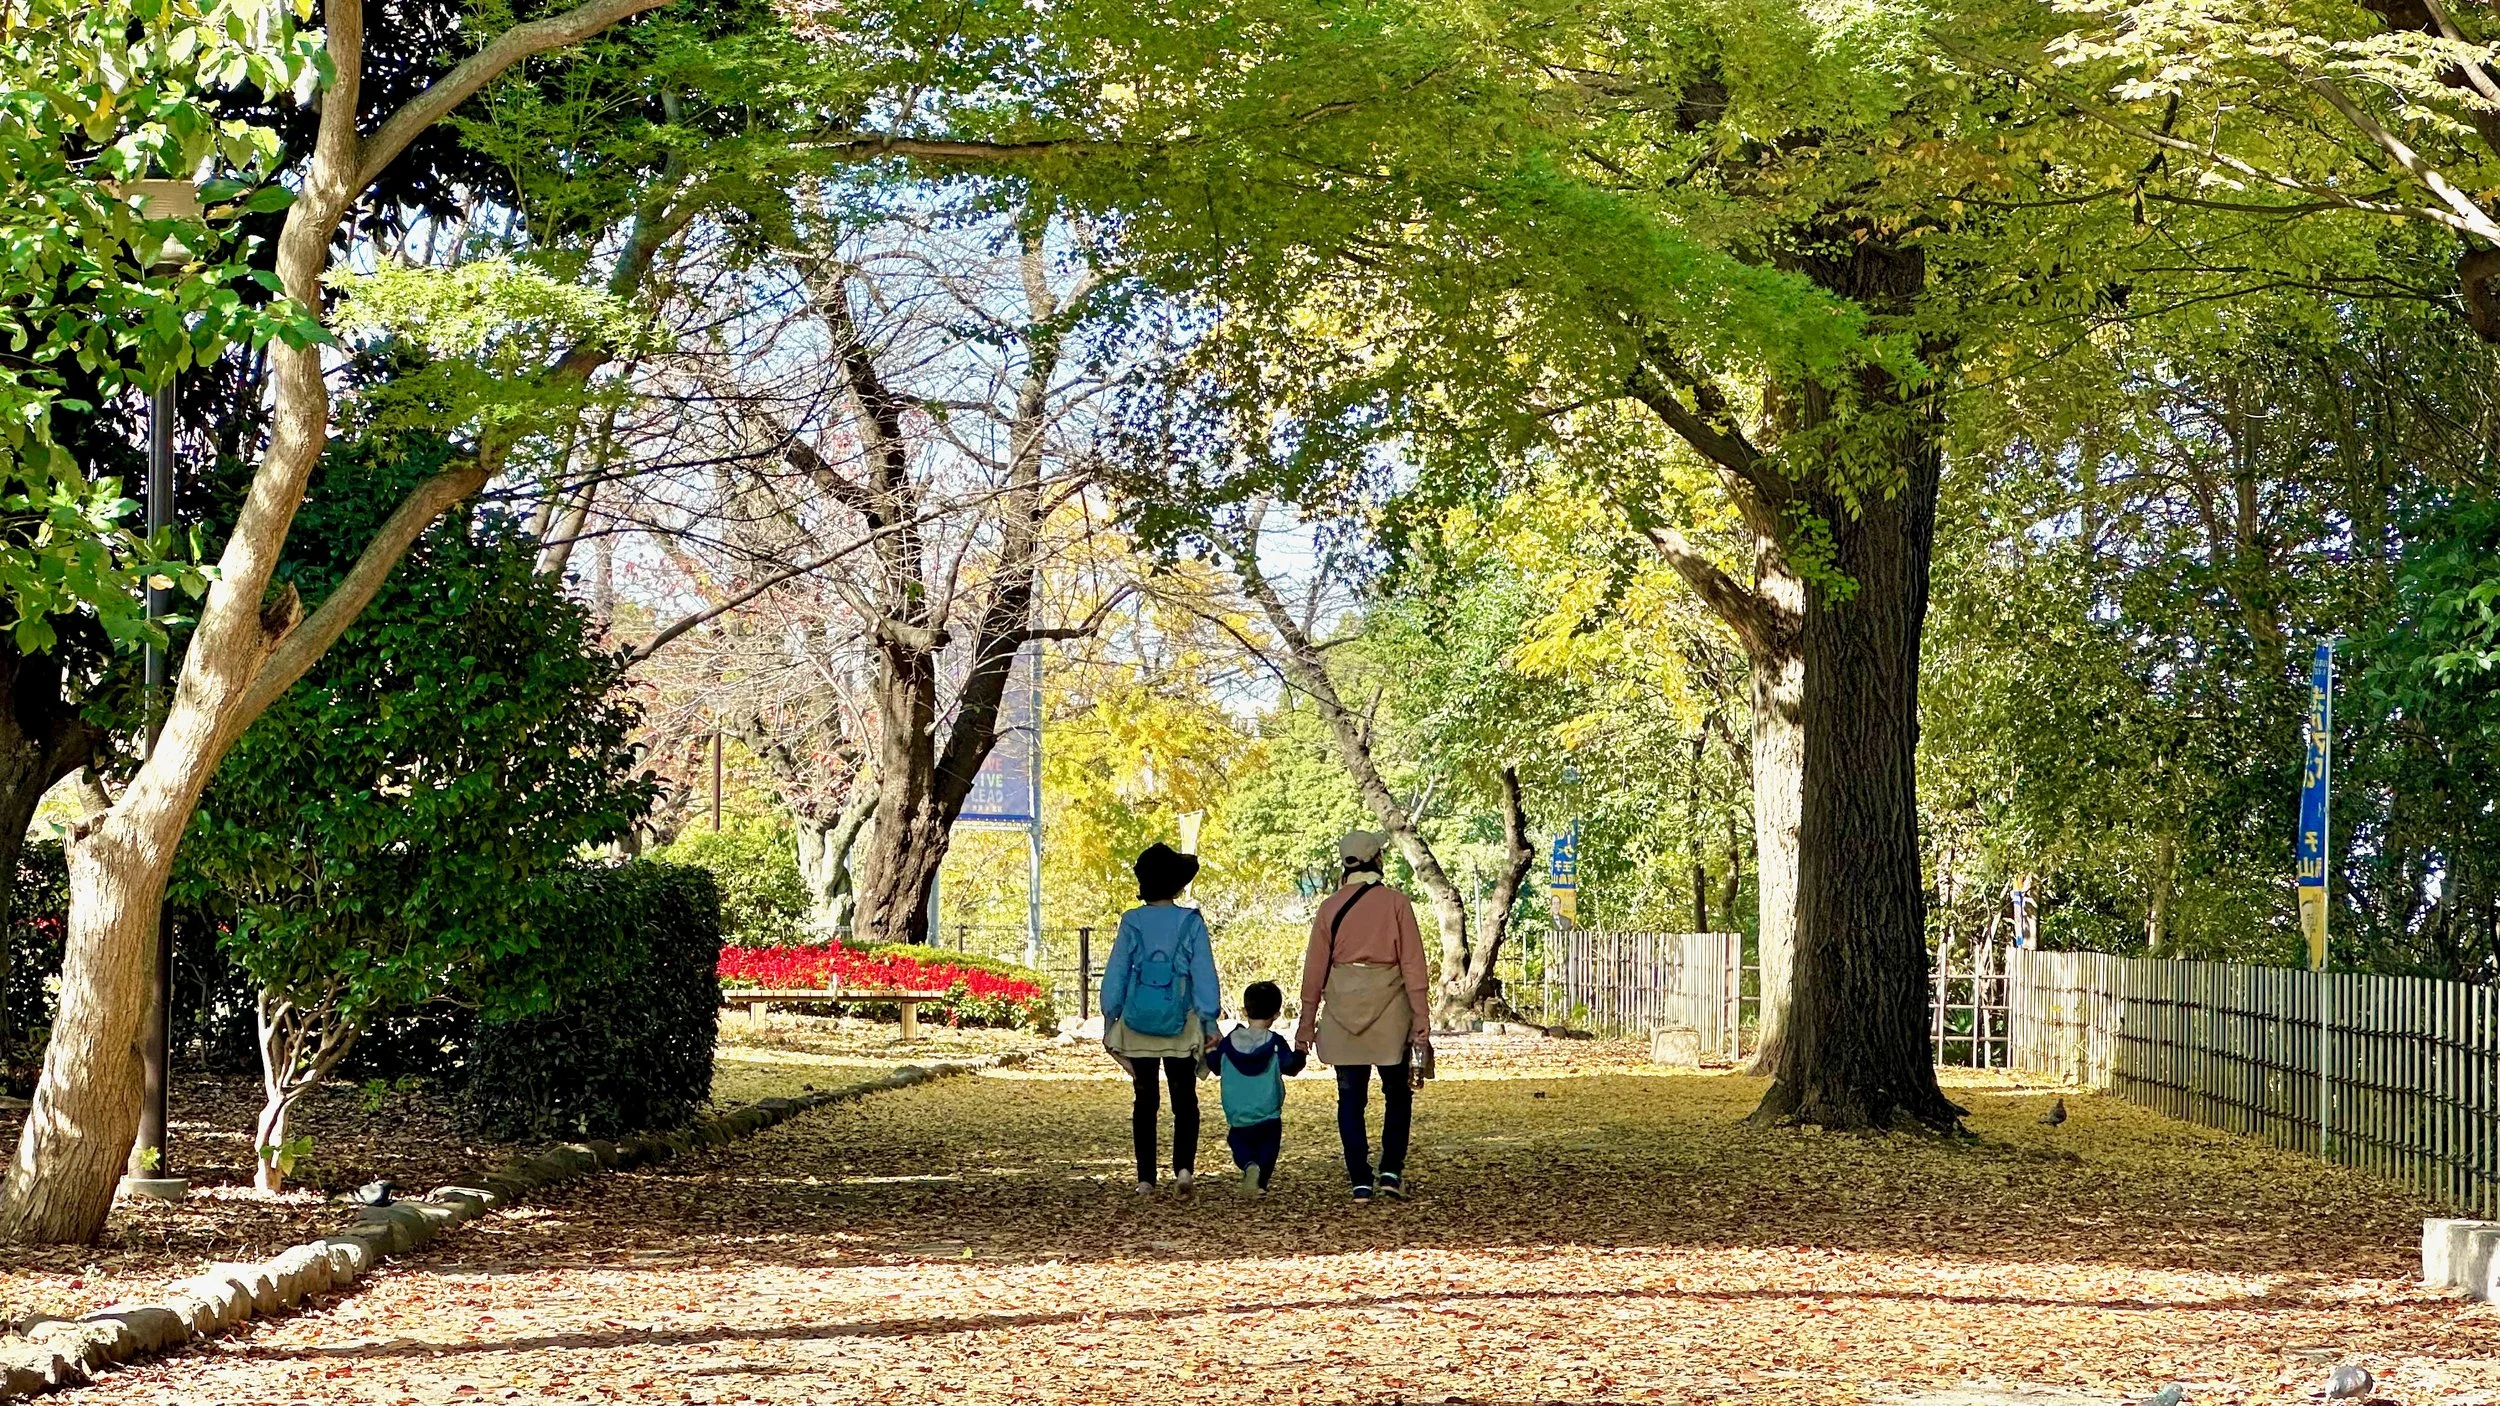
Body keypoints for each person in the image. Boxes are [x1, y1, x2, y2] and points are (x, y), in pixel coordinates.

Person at [1295, 829, 1433, 1200]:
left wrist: (1306, 1026)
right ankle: (1390, 1171)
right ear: (1378, 860)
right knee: (1397, 1094)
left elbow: (1314, 972)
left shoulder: (1329, 908)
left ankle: (1359, 1177)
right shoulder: (1396, 903)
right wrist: (1421, 1017)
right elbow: (1413, 966)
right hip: (1390, 1009)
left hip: (1342, 1008)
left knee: (1350, 1098)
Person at [1099, 842, 1221, 1193]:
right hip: (1181, 1021)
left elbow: (1118, 972)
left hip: (1138, 1022)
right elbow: (1203, 973)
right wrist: (1209, 1020)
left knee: (1145, 1100)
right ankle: (1184, 1170)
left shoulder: (1132, 921)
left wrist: (1111, 1018)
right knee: (1185, 1099)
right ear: (1177, 885)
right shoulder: (1190, 922)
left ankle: (1145, 1179)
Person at [1206, 980, 1308, 1196]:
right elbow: (1291, 1066)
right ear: (1276, 1014)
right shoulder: (1275, 1042)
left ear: (1244, 1011)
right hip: (1268, 1110)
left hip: (1237, 1110)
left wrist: (1210, 1049)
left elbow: (1215, 1066)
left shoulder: (1230, 1042)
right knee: (1268, 1148)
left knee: (1239, 1143)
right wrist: (1301, 1053)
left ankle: (1249, 1166)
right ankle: (1260, 1181)